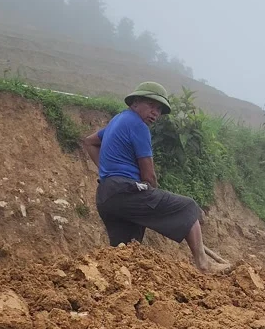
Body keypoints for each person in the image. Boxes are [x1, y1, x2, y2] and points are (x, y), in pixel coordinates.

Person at [83, 81, 228, 273]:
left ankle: (119, 286)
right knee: (187, 207)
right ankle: (204, 264)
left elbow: (90, 142)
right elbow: (149, 174)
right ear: (135, 103)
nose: (155, 113)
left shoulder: (118, 120)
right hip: (125, 191)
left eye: (159, 109)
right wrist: (147, 189)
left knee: (126, 252)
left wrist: (108, 170)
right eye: (151, 105)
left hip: (106, 196)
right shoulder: (138, 125)